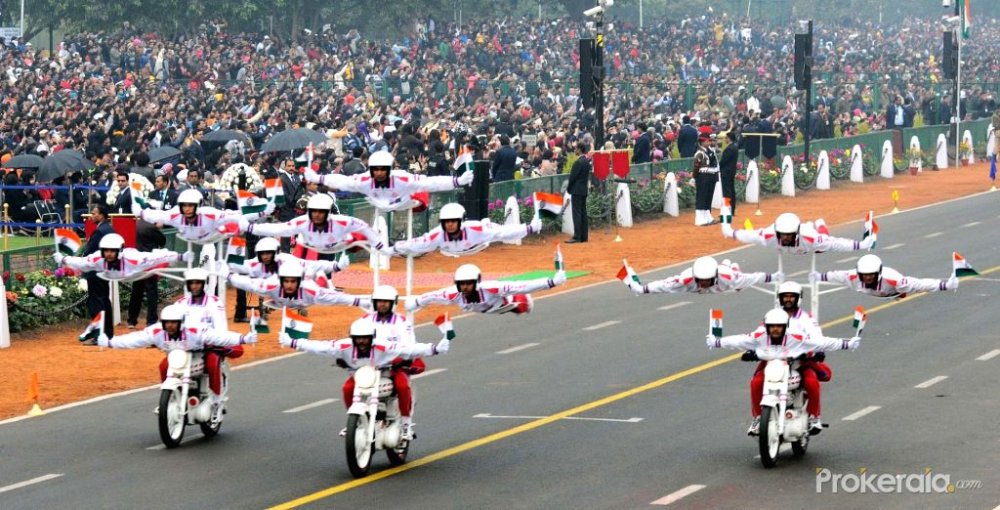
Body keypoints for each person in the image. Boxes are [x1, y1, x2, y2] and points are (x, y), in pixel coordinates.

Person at [279, 317, 453, 441]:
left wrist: (435, 348)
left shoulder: (384, 347)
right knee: (347, 388)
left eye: (365, 338)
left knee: (402, 385)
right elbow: (319, 347)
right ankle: (353, 423)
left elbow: (409, 349)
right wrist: (293, 342)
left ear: (372, 338)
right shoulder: (344, 346)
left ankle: (406, 424)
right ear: (353, 338)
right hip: (362, 376)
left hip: (387, 374)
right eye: (358, 338)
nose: (361, 341)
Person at [706, 308, 861, 436]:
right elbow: (738, 340)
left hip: (798, 366)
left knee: (812, 383)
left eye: (779, 326)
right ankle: (758, 419)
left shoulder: (797, 337)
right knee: (756, 383)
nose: (775, 329)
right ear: (766, 326)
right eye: (772, 326)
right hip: (771, 367)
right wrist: (717, 341)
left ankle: (814, 418)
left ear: (785, 326)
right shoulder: (759, 336)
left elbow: (823, 342)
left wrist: (847, 344)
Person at [95, 304, 255, 419]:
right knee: (164, 365)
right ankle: (169, 399)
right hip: (178, 359)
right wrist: (110, 342)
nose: (170, 326)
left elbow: (218, 336)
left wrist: (243, 338)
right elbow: (135, 339)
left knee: (213, 362)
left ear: (181, 323)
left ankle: (216, 402)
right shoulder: (156, 332)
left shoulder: (195, 330)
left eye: (174, 322)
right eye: (167, 322)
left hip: (200, 355)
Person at [305, 150, 473, 212]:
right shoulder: (364, 179)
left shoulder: (403, 178)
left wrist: (457, 181)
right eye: (375, 169)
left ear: (389, 169)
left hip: (403, 203)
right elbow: (342, 181)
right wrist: (318, 178)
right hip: (377, 203)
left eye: (382, 169)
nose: (378, 173)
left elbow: (432, 183)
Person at [243, 194, 388, 255]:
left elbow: (362, 225)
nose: (317, 215)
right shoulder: (302, 222)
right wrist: (251, 227)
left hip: (339, 243)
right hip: (311, 246)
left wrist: (378, 244)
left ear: (328, 213)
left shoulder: (340, 221)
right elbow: (278, 228)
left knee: (356, 237)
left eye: (321, 212)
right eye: (314, 211)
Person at [390, 202, 541, 257]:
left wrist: (528, 228)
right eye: (446, 222)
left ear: (461, 221)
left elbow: (504, 232)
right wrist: (393, 249)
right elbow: (418, 243)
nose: (449, 225)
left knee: (495, 230)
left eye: (453, 221)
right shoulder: (438, 234)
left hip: (478, 245)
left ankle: (487, 221)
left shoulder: (476, 229)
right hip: (451, 252)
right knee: (422, 244)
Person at [407, 263, 566, 314]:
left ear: (477, 282)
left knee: (522, 305)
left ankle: (520, 303)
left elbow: (522, 286)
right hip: (480, 309)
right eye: (462, 284)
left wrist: (551, 282)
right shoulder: (452, 294)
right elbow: (432, 296)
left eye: (469, 283)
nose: (465, 287)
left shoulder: (492, 288)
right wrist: (417, 301)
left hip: (501, 303)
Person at [135, 189, 272, 246]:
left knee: (233, 223)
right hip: (190, 238)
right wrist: (140, 211)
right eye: (184, 206)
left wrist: (262, 212)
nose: (187, 209)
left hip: (213, 235)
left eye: (190, 205)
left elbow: (237, 215)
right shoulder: (175, 214)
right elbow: (159, 215)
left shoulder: (210, 213)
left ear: (198, 206)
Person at [226, 263, 370, 310]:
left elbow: (339, 298)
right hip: (285, 303)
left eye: (293, 282)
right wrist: (228, 275)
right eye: (286, 281)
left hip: (307, 294)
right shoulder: (270, 286)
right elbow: (248, 283)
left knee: (321, 284)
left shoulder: (312, 291)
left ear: (299, 282)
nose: (289, 285)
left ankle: (319, 274)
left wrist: (362, 301)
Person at [810, 254, 959, 299]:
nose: (867, 278)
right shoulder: (852, 277)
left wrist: (946, 285)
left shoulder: (895, 280)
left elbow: (920, 284)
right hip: (875, 293)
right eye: (864, 275)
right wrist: (818, 276)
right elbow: (836, 276)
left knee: (911, 289)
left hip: (893, 291)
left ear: (879, 274)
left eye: (871, 275)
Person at [722, 212, 875, 254]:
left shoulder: (810, 237)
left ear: (796, 233)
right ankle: (818, 222)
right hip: (798, 243)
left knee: (824, 244)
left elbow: (836, 243)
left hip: (808, 238)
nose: (785, 237)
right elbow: (750, 235)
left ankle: (820, 223)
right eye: (782, 234)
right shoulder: (768, 235)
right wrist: (731, 232)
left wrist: (861, 245)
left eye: (789, 235)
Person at [55, 233, 180, 282]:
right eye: (106, 251)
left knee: (156, 263)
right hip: (111, 277)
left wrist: (178, 256)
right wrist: (63, 259)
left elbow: (156, 257)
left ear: (119, 251)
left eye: (112, 251)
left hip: (137, 273)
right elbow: (82, 262)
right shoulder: (98, 258)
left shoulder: (134, 259)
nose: (108, 254)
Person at [622, 256, 781, 295]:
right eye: (701, 280)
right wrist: (641, 288)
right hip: (691, 289)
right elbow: (663, 284)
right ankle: (726, 263)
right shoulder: (685, 279)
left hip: (725, 280)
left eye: (707, 280)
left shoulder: (729, 278)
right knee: (640, 290)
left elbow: (755, 277)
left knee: (739, 285)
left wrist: (773, 277)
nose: (704, 283)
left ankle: (729, 265)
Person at [80, 204, 116, 340]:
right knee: (104, 301)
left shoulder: (99, 231)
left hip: (95, 271)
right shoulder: (109, 229)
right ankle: (107, 332)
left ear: (102, 215)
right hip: (104, 269)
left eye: (94, 213)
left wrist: (81, 263)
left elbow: (89, 251)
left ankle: (100, 333)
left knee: (98, 303)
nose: (92, 215)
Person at [126, 221, 167, 329]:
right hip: (149, 263)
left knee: (136, 292)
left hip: (137, 263)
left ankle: (131, 320)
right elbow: (163, 241)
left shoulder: (136, 224)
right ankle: (151, 321)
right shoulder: (151, 228)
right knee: (151, 293)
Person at [566, 141, 591, 243]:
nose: (574, 150)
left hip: (576, 190)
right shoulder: (586, 161)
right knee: (583, 213)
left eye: (576, 148)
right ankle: (584, 236)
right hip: (583, 189)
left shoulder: (578, 162)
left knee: (576, 213)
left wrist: (569, 188)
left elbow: (572, 178)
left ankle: (577, 236)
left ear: (580, 149)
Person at [692, 134, 719, 226]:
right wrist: (694, 177)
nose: (709, 142)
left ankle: (707, 216)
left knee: (708, 197)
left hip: (711, 176)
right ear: (702, 142)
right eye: (707, 141)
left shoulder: (710, 151)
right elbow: (696, 167)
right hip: (702, 176)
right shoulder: (699, 153)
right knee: (702, 197)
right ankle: (699, 218)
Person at [719, 131, 739, 216]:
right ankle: (731, 209)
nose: (725, 139)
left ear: (729, 138)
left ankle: (728, 209)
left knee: (727, 192)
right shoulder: (734, 147)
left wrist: (718, 167)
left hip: (726, 172)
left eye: (726, 138)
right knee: (731, 190)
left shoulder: (729, 148)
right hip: (731, 171)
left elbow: (723, 161)